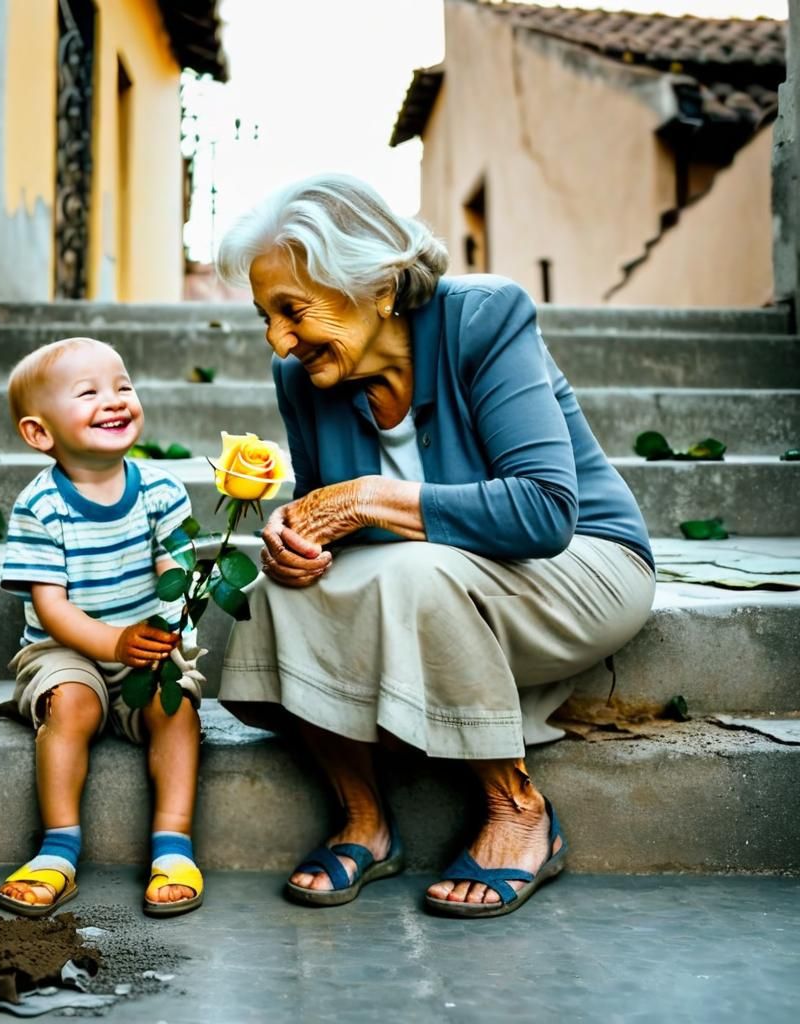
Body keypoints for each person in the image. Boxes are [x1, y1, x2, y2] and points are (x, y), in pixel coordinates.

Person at [215, 174, 655, 917]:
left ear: (379, 284)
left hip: (580, 565)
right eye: (266, 317)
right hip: (444, 583)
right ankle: (363, 817)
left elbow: (544, 511)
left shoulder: (484, 318)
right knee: (274, 596)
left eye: (293, 310)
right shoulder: (302, 377)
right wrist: (300, 543)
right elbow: (348, 547)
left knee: (421, 573)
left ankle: (518, 811)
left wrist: (367, 500)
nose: (279, 340)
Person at [0, 337, 206, 918]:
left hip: (141, 642)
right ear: (40, 434)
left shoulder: (162, 490)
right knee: (72, 704)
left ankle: (173, 846)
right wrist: (113, 642)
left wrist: (171, 625)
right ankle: (58, 851)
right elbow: (55, 610)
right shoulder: (40, 506)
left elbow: (175, 572)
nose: (114, 401)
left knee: (176, 707)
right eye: (88, 393)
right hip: (61, 648)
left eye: (123, 386)